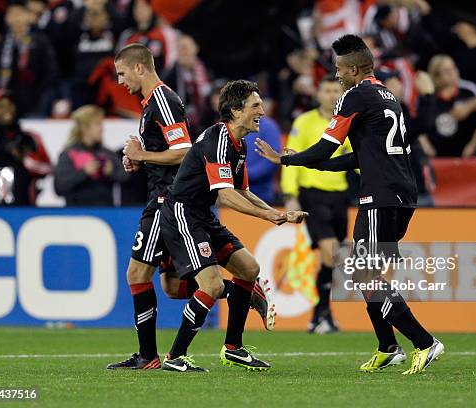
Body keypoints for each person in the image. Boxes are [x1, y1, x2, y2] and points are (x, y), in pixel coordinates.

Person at [255, 34, 444, 375]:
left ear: (355, 69)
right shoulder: (387, 96)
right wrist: (306, 162)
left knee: (364, 272)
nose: (336, 75)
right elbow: (360, 156)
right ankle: (388, 347)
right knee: (365, 273)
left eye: (339, 68)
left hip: (380, 196)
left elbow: (328, 147)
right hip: (400, 193)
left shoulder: (354, 97)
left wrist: (288, 160)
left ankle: (425, 342)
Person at [106, 45, 274, 371]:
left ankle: (150, 356)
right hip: (168, 199)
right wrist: (139, 160)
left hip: (167, 202)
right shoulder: (151, 105)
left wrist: (143, 157)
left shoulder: (163, 101)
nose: (120, 81)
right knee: (171, 287)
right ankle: (241, 292)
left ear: (139, 68)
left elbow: (183, 151)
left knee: (137, 274)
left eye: (122, 73)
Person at [159, 80, 307, 372]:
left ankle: (233, 348)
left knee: (249, 269)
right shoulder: (218, 140)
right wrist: (267, 218)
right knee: (212, 285)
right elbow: (225, 196)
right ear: (236, 111)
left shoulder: (238, 145)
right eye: (255, 105)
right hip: (183, 215)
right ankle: (175, 357)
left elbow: (242, 190)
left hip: (202, 215)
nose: (262, 111)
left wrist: (277, 213)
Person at [281, 74, 352, 333]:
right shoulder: (304, 121)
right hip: (312, 193)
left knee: (330, 258)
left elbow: (357, 158)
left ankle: (320, 315)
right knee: (329, 251)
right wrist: (290, 194)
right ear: (318, 95)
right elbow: (291, 157)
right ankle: (323, 315)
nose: (333, 95)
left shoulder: (346, 124)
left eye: (337, 90)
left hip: (340, 196)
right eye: (328, 90)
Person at [0, 91, 51, 206]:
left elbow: (48, 169)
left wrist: (26, 159)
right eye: (1, 106)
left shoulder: (30, 138)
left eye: (10, 105)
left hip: (26, 209)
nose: (7, 109)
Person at [54, 105, 127, 206]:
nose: (102, 129)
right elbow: (59, 187)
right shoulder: (69, 154)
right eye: (97, 124)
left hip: (106, 213)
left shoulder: (108, 153)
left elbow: (125, 177)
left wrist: (111, 172)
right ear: (85, 128)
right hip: (77, 213)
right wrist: (84, 172)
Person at [421, 54, 476, 158]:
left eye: (454, 68)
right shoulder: (428, 98)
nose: (453, 73)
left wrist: (473, 145)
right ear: (436, 75)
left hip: (468, 156)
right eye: (446, 71)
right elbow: (419, 126)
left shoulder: (469, 92)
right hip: (438, 158)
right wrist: (426, 146)